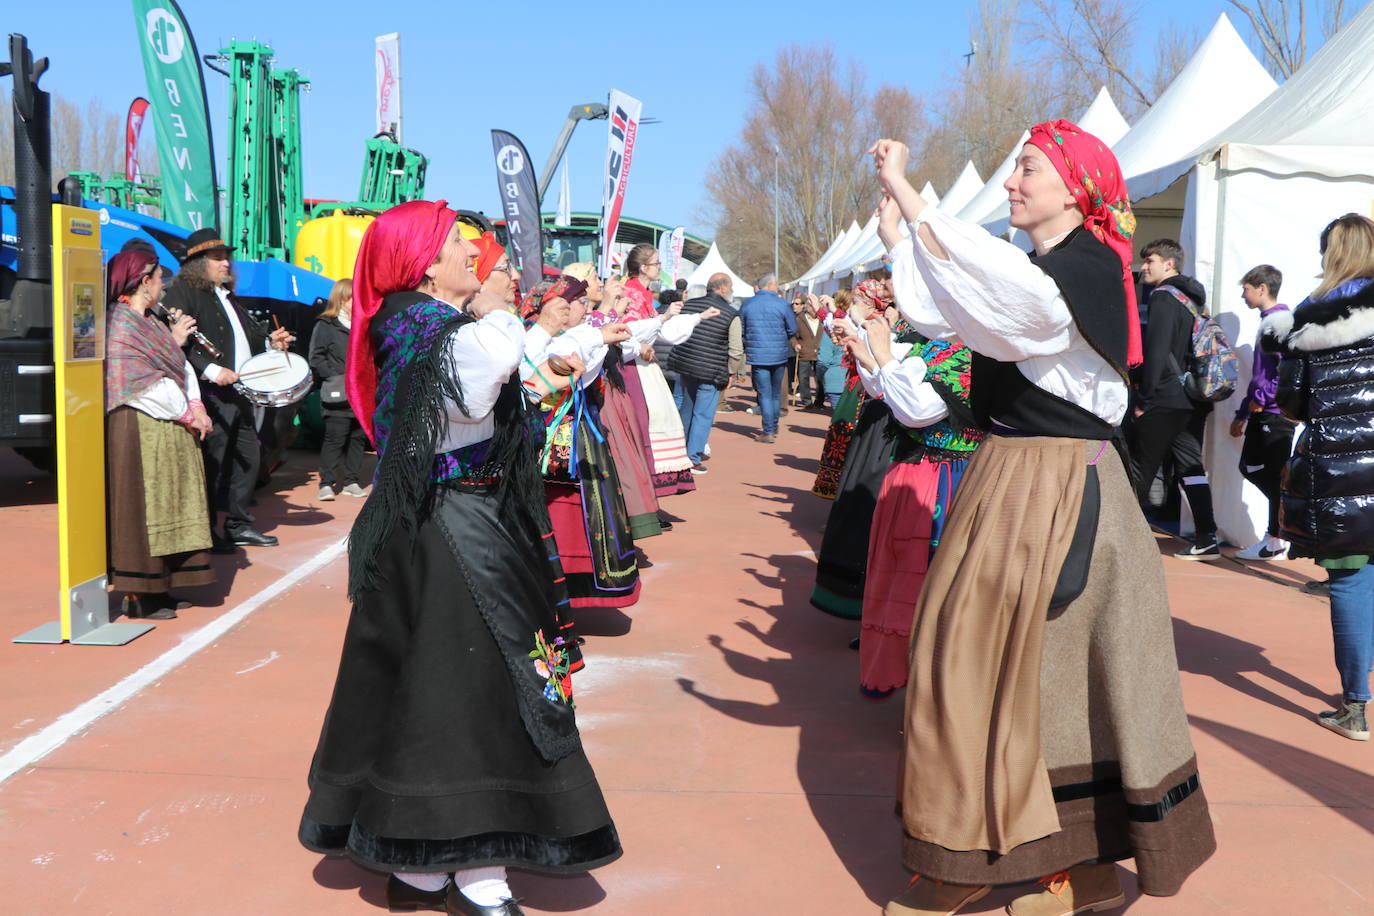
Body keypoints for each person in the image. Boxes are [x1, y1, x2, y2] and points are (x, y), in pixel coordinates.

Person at [875, 124, 1213, 916]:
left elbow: (1007, 299)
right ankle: (1065, 871)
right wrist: (903, 235)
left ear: (1075, 188)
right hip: (1019, 481)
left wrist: (911, 198)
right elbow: (958, 307)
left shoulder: (1083, 269)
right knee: (1012, 672)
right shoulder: (1051, 270)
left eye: (1027, 169)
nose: (1011, 183)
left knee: (1011, 671)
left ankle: (1006, 866)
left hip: (1055, 489)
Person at [299, 200, 620, 916]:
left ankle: (419, 867)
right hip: (453, 527)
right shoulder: (425, 322)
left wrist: (514, 329)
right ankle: (477, 870)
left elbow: (490, 390)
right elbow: (481, 385)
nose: (474, 254)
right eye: (457, 243)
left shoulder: (421, 320)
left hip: (439, 522)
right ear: (424, 262)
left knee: (433, 686)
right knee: (480, 687)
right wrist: (500, 311)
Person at [842, 218, 985, 695]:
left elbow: (919, 410)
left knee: (934, 578)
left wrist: (881, 355)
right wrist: (871, 355)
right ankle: (907, 673)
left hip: (951, 476)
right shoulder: (938, 342)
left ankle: (936, 684)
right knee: (906, 574)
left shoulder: (968, 349)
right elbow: (889, 393)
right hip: (921, 469)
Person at [1264, 213, 1374, 742]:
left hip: (1338, 470)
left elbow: (1290, 402)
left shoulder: (1308, 318)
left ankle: (1356, 705)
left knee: (1350, 582)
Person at [162, 228, 293, 549]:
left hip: (239, 392)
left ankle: (238, 525)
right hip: (209, 395)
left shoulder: (227, 295)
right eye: (217, 258)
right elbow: (176, 340)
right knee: (213, 465)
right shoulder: (182, 292)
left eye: (226, 258)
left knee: (248, 459)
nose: (226, 263)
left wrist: (270, 342)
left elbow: (248, 339)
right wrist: (210, 369)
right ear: (197, 263)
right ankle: (207, 531)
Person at [104, 249, 216, 620]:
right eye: (158, 278)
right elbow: (140, 383)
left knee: (170, 503)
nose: (162, 285)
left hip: (169, 424)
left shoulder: (150, 320)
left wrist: (196, 406)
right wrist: (187, 413)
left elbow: (179, 366)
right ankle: (139, 593)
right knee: (141, 509)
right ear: (143, 280)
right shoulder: (120, 325)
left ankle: (164, 584)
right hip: (138, 426)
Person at [1131, 238, 1220, 559]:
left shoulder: (1163, 297)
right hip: (1193, 396)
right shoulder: (1192, 299)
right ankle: (1207, 537)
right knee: (1190, 467)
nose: (1144, 267)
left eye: (1150, 261)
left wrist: (1144, 398)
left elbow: (1156, 351)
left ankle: (1122, 540)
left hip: (1166, 396)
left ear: (1169, 264)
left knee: (1139, 466)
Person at [1228, 264, 1296, 561]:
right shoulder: (1269, 321)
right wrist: (1243, 412)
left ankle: (1276, 537)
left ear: (1262, 288)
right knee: (1251, 467)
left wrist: (1262, 398)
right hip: (1262, 410)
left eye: (1246, 289)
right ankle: (1281, 527)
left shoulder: (1279, 322)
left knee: (1275, 475)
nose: (1243, 296)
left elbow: (1286, 370)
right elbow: (1261, 373)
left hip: (1275, 413)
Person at [620, 244, 696, 495]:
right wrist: (659, 323)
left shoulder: (643, 293)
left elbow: (657, 331)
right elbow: (626, 331)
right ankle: (643, 487)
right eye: (656, 263)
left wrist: (696, 318)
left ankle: (652, 487)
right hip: (633, 367)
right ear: (643, 267)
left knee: (657, 419)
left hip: (644, 365)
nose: (659, 267)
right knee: (646, 422)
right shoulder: (630, 292)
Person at [668, 273, 739, 472]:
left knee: (687, 409)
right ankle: (693, 457)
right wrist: (732, 373)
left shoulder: (689, 305)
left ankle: (680, 452)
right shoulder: (731, 313)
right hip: (712, 370)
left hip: (685, 365)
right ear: (723, 288)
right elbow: (736, 349)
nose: (732, 291)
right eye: (730, 287)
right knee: (703, 414)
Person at [309, 278, 367, 501]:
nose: (358, 302)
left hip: (360, 392)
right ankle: (326, 483)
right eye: (354, 298)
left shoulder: (362, 325)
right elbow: (316, 358)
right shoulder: (326, 325)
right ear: (342, 299)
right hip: (338, 391)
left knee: (358, 438)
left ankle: (352, 481)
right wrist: (336, 376)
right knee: (335, 438)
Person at [737, 273, 798, 443]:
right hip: (778, 354)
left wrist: (748, 340)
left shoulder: (748, 304)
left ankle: (768, 429)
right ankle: (773, 426)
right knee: (775, 393)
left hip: (758, 355)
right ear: (771, 285)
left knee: (764, 393)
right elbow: (792, 328)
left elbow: (740, 328)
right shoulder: (782, 304)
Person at [793, 293, 824, 408]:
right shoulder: (799, 319)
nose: (816, 309)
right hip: (804, 352)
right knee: (803, 378)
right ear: (808, 307)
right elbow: (792, 336)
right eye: (813, 306)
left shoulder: (823, 319)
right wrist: (795, 344)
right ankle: (807, 401)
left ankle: (819, 401)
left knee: (820, 379)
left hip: (820, 353)